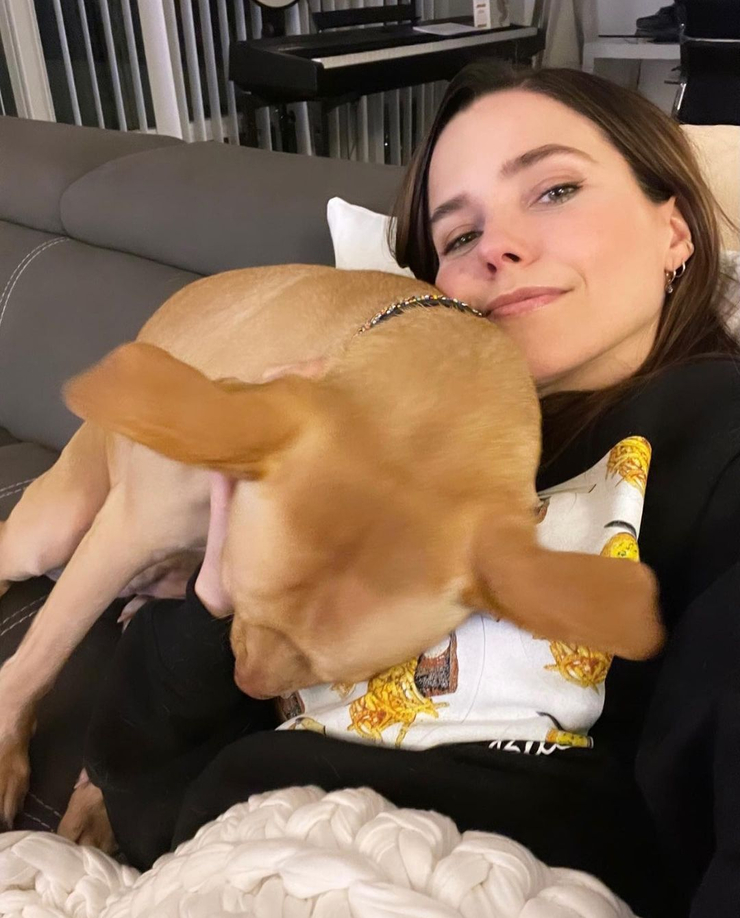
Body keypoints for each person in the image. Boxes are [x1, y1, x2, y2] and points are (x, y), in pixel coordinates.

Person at [84, 64, 740, 917]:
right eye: (458, 237)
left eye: (554, 190)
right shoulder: (365, 431)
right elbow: (147, 788)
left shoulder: (717, 438)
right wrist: (219, 581)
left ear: (675, 230)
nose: (496, 247)